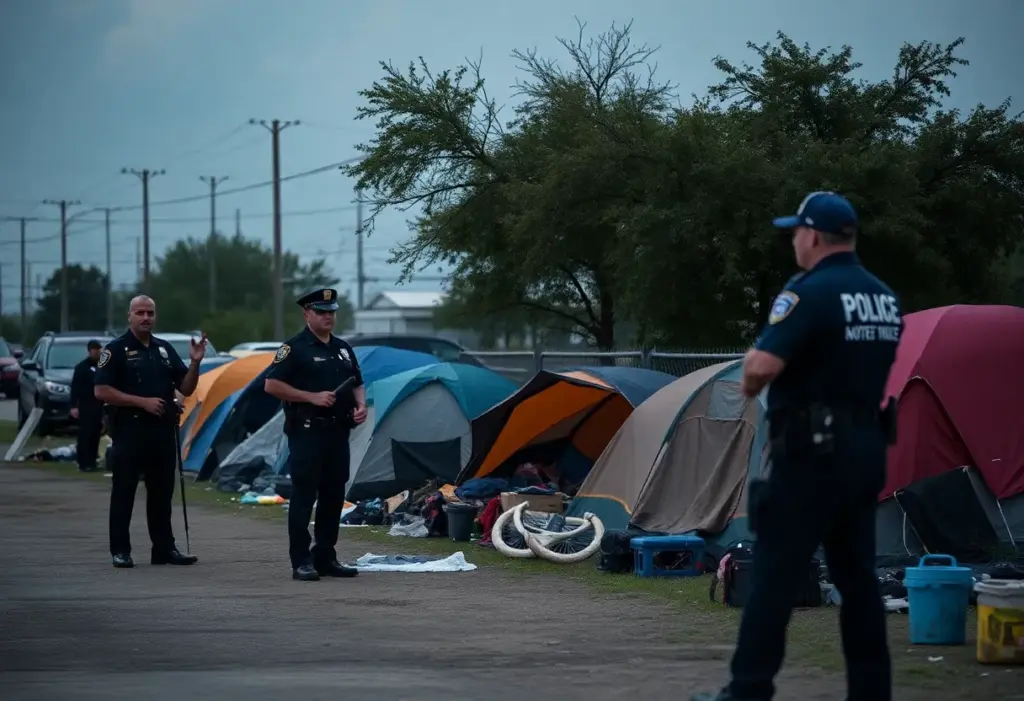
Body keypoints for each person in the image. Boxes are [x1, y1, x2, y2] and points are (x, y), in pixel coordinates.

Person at [693, 192, 901, 701]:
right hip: (864, 449)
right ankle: (871, 693)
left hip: (810, 455)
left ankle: (748, 691)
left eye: (795, 233)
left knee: (774, 578)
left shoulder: (809, 291)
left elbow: (760, 369)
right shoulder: (882, 297)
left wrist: (752, 365)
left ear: (812, 236)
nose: (793, 242)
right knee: (858, 582)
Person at [94, 295, 206, 569]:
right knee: (124, 492)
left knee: (161, 493)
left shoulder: (164, 349)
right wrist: (141, 401)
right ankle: (120, 550)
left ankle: (164, 549)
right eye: (140, 312)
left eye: (151, 313)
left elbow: (187, 388)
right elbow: (101, 391)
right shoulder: (115, 350)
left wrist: (194, 363)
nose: (146, 318)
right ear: (129, 316)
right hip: (130, 430)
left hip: (162, 432)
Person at [264, 287, 367, 581]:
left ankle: (325, 556)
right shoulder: (294, 348)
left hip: (338, 433)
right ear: (307, 313)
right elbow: (271, 385)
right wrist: (311, 397)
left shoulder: (343, 348)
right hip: (307, 432)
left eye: (331, 312)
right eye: (321, 312)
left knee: (334, 496)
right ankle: (301, 560)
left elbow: (357, 382)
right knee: (304, 496)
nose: (327, 317)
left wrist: (361, 406)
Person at [70, 339, 104, 473]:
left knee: (96, 434)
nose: (97, 352)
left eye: (99, 350)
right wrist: (73, 406)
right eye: (95, 350)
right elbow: (75, 388)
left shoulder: (102, 366)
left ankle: (92, 460)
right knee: (86, 434)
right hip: (86, 405)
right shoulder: (81, 368)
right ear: (90, 351)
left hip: (98, 405)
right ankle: (83, 462)